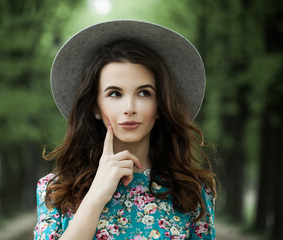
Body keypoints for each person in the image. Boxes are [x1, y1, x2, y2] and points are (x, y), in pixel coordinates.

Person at [33, 20, 217, 240]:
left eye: (144, 93)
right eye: (114, 94)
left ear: (160, 105)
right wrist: (96, 195)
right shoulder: (55, 190)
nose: (129, 108)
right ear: (95, 106)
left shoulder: (193, 193)